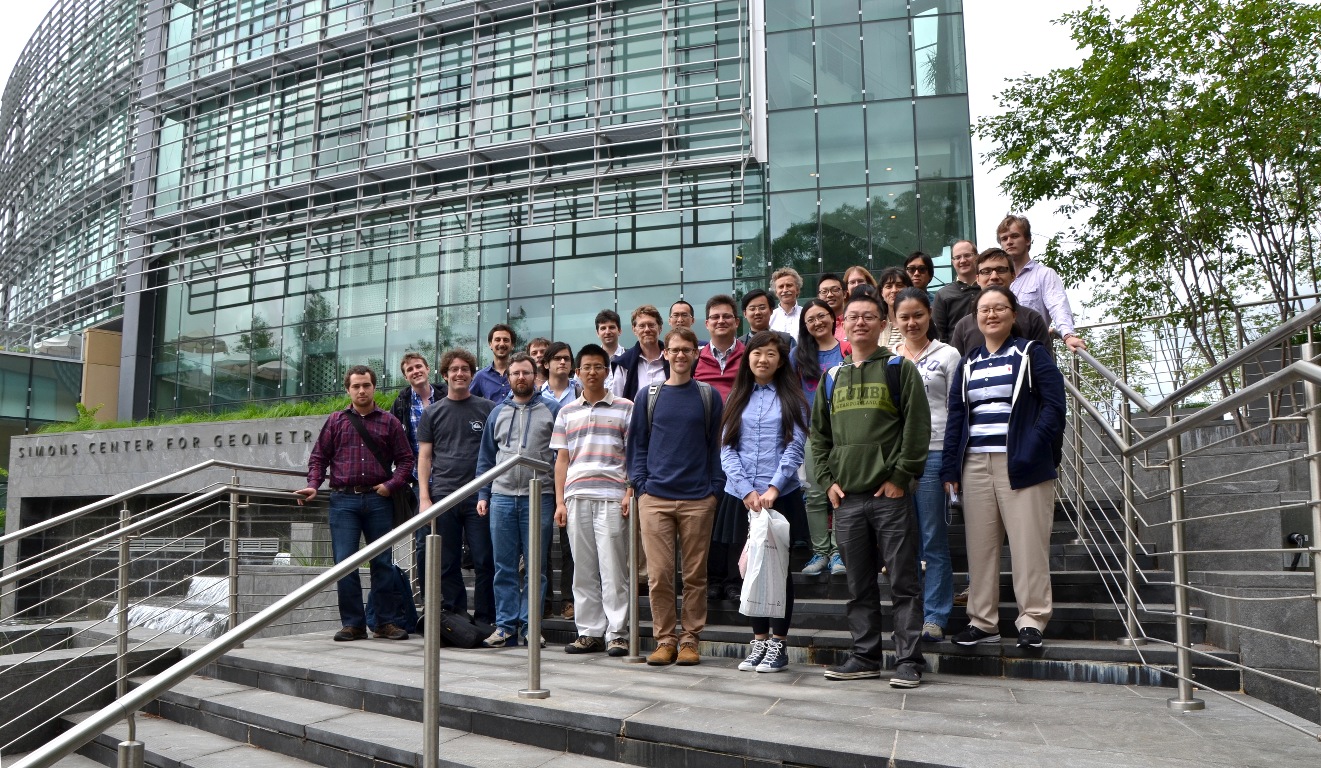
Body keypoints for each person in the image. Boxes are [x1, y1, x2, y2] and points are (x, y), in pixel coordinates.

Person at [810, 292, 930, 688]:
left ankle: (909, 659)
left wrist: (900, 477)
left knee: (903, 581)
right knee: (858, 583)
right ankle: (864, 655)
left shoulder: (899, 369)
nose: (860, 323)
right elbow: (819, 438)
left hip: (889, 497)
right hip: (847, 500)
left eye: (870, 317)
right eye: (853, 317)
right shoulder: (831, 378)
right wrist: (828, 482)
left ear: (882, 324)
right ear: (843, 325)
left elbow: (917, 429)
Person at [944, 286, 1066, 650]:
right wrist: (950, 467)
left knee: (1028, 546)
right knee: (980, 548)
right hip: (975, 465)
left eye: (1000, 308)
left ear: (1014, 315)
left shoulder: (1031, 354)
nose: (991, 314)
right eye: (984, 309)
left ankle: (1032, 619)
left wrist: (1031, 447)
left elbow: (1054, 406)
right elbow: (956, 418)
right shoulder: (968, 362)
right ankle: (983, 621)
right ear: (975, 317)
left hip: (1022, 464)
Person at [628, 327, 724, 666]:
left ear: (696, 354)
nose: (680, 355)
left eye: (687, 349)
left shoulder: (708, 395)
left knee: (696, 575)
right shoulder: (648, 396)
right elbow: (637, 444)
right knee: (658, 574)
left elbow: (715, 445)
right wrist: (640, 484)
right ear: (664, 354)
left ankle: (690, 640)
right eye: (674, 350)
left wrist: (715, 488)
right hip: (655, 497)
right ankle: (665, 639)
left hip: (698, 497)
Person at [297, 365, 413, 642]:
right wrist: (313, 485)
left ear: (374, 388)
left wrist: (391, 485)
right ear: (348, 390)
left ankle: (384, 622)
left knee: (383, 563)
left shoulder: (389, 422)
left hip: (378, 500)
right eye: (356, 386)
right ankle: (353, 624)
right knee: (344, 563)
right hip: (343, 500)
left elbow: (406, 460)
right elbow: (318, 458)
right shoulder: (336, 421)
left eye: (367, 385)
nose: (362, 390)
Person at [718, 331, 809, 674]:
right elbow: (726, 449)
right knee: (749, 569)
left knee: (779, 571)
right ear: (748, 358)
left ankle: (779, 644)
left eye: (771, 354)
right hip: (742, 498)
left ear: (781, 360)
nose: (763, 360)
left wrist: (773, 487)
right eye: (757, 354)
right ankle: (758, 641)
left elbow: (795, 446)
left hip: (779, 497)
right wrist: (746, 490)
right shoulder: (736, 398)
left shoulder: (793, 399)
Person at [552, 344, 634, 656]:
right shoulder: (566, 412)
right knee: (583, 571)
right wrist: (560, 502)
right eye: (586, 367)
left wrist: (629, 491)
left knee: (614, 569)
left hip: (612, 496)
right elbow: (562, 460)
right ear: (577, 372)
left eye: (598, 366)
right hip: (576, 497)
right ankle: (589, 632)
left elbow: (632, 455)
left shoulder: (625, 407)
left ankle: (617, 633)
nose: (592, 372)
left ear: (606, 371)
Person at [475, 353, 562, 647]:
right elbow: (486, 457)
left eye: (526, 373)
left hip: (540, 497)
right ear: (508, 378)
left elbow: (562, 456)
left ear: (535, 376)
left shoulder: (552, 409)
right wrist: (483, 494)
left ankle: (530, 627)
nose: (520, 378)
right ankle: (505, 626)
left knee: (536, 568)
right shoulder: (496, 412)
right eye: (515, 374)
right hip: (500, 497)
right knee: (504, 566)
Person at [891, 287, 962, 643]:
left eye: (917, 314)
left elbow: (957, 410)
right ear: (894, 319)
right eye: (903, 316)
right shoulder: (889, 359)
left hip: (934, 454)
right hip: (899, 458)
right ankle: (910, 612)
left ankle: (936, 614)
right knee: (904, 542)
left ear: (929, 314)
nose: (911, 322)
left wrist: (952, 461)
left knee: (932, 539)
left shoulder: (948, 354)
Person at [415, 349, 496, 625]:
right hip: (443, 497)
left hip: (479, 498)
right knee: (447, 563)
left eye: (465, 369)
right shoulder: (433, 413)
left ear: (472, 374)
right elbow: (424, 457)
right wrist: (425, 498)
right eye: (454, 369)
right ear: (445, 375)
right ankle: (456, 617)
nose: (459, 373)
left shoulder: (487, 409)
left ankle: (486, 619)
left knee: (485, 560)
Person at [793, 299, 850, 577]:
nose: (817, 322)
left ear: (832, 317)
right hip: (812, 434)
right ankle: (820, 552)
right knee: (815, 494)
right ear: (805, 326)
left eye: (822, 316)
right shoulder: (798, 356)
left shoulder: (846, 349)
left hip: (845, 433)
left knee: (841, 492)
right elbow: (789, 394)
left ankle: (840, 552)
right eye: (811, 319)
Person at [998, 214, 1086, 352]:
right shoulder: (997, 278)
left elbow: (1058, 305)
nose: (1009, 242)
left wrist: (1068, 334)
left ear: (1027, 240)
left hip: (1033, 352)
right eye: (1004, 238)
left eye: (1014, 236)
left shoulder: (1044, 274)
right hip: (1002, 353)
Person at [539, 340, 579, 618]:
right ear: (546, 363)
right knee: (540, 545)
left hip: (573, 475)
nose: (562, 363)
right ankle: (542, 600)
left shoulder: (580, 393)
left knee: (569, 545)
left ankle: (567, 599)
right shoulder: (536, 394)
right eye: (557, 359)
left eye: (566, 359)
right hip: (542, 476)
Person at [950, 248, 1051, 356]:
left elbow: (1046, 369)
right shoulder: (963, 326)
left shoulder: (1032, 319)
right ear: (977, 279)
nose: (994, 277)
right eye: (986, 271)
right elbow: (956, 370)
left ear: (1013, 275)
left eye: (1001, 270)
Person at [610, 305, 668, 400]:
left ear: (660, 328)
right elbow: (617, 401)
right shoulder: (624, 364)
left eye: (651, 325)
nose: (647, 330)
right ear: (634, 330)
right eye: (641, 326)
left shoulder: (672, 358)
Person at [694, 294, 744, 399]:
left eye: (727, 316)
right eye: (715, 317)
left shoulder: (749, 356)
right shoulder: (695, 358)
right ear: (707, 324)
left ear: (737, 322)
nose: (721, 321)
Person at [932, 240, 979, 342]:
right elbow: (939, 334)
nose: (962, 261)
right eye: (957, 257)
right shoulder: (943, 295)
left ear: (977, 257)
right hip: (957, 355)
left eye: (967, 255)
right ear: (952, 262)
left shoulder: (988, 289)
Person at [472, 324, 516, 401]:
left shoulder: (520, 373)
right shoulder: (481, 376)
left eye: (505, 340)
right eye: (497, 340)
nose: (501, 344)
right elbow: (469, 400)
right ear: (490, 344)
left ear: (512, 345)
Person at [876, 266, 913, 350]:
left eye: (899, 285)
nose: (894, 290)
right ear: (881, 292)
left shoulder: (917, 322)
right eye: (888, 286)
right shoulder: (876, 323)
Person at [595, 309, 626, 393]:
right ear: (597, 333)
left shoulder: (629, 358)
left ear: (619, 331)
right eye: (603, 328)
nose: (607, 332)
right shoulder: (590, 360)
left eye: (611, 327)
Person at [768, 266, 803, 335]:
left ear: (797, 289)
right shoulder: (770, 317)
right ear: (776, 292)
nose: (785, 290)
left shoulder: (806, 315)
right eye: (781, 287)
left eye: (789, 285)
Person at [816, 274, 848, 343]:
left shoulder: (853, 321)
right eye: (824, 291)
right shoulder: (815, 325)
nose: (830, 295)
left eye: (835, 290)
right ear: (818, 297)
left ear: (844, 294)